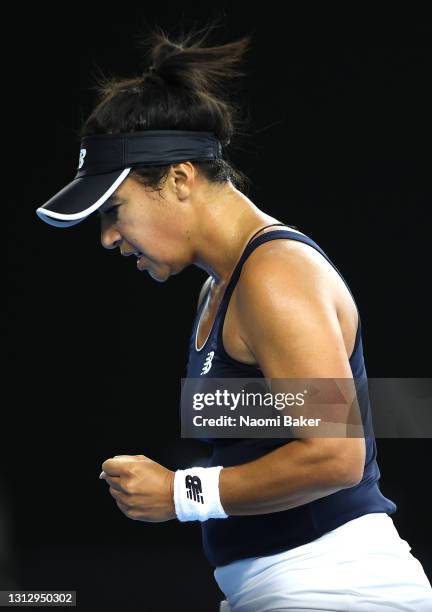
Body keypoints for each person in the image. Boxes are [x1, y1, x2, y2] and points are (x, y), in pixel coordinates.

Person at [35, 23, 432, 612]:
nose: (108, 237)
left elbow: (336, 455)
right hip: (282, 590)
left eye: (115, 211)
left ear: (178, 179)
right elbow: (291, 430)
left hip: (337, 591)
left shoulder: (275, 276)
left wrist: (179, 492)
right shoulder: (219, 289)